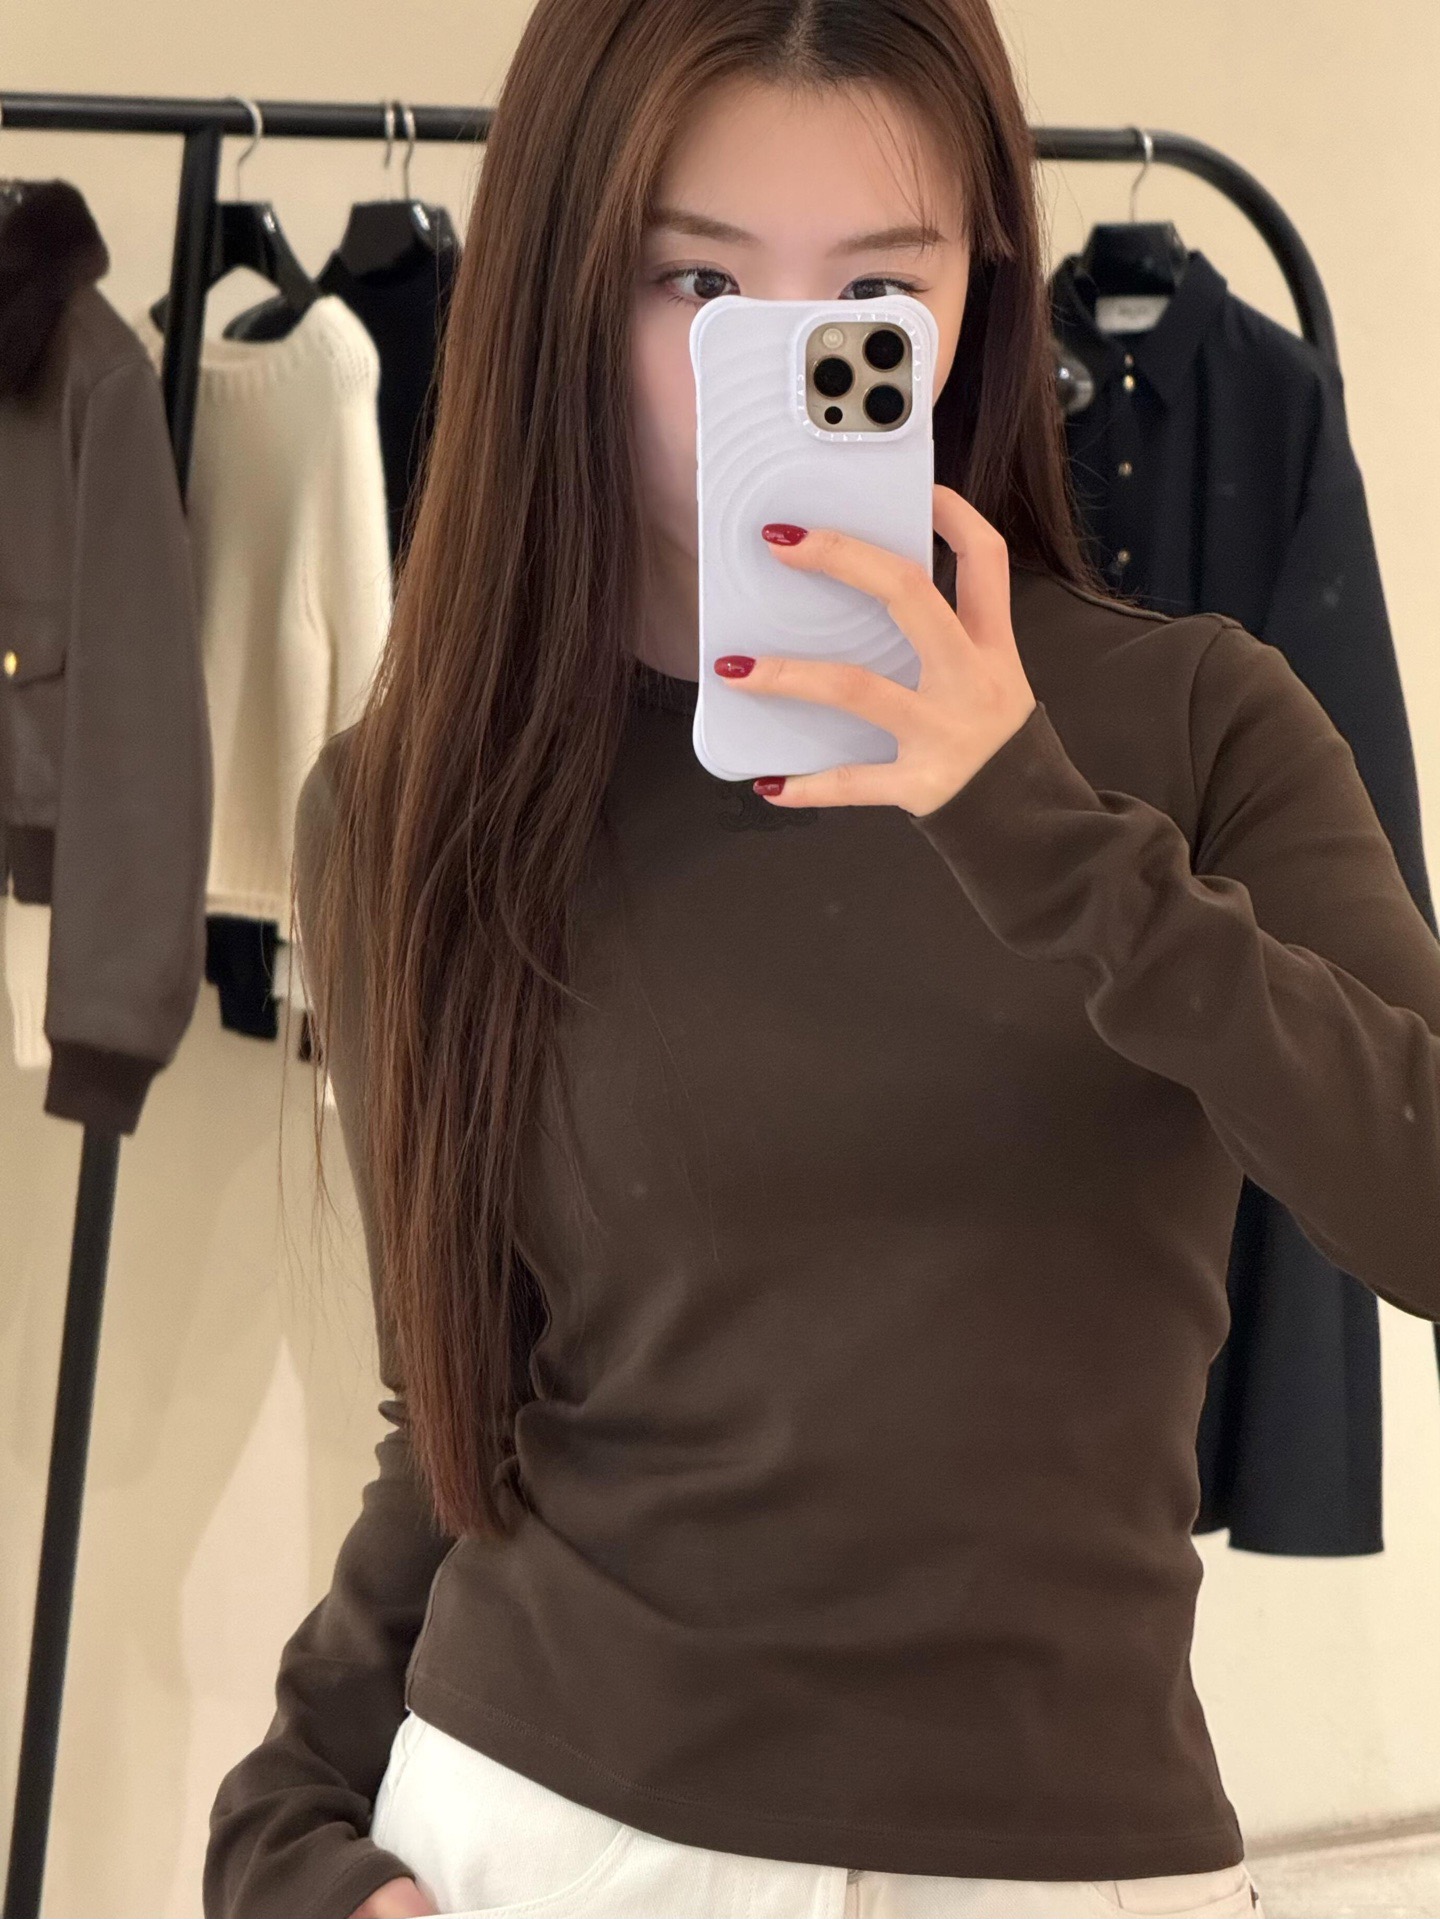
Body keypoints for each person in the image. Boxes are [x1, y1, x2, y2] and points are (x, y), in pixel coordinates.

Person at [202, 3, 1440, 1917]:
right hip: (554, 1844)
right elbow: (449, 1415)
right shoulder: (414, 805)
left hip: (1066, 1870)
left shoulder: (1197, 728)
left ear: (976, 298)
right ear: (558, 294)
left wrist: (1033, 828)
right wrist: (288, 1830)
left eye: (874, 289)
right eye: (697, 284)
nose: (776, 367)